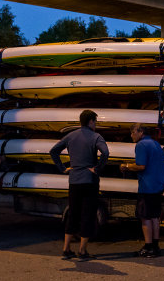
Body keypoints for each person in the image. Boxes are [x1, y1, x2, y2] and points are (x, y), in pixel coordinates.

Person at [50, 110, 109, 261]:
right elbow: (105, 153)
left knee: (73, 214)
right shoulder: (96, 137)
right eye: (95, 122)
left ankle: (66, 249)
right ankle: (82, 251)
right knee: (88, 215)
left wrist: (63, 168)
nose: (95, 125)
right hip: (89, 181)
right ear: (90, 121)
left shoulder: (71, 135)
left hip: (74, 180)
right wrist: (97, 168)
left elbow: (53, 151)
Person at [120, 123, 164, 258]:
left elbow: (141, 166)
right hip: (159, 184)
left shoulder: (141, 145)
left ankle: (148, 247)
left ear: (140, 132)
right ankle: (155, 246)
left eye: (132, 132)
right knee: (154, 217)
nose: (131, 135)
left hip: (148, 186)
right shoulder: (155, 143)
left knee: (145, 217)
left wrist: (126, 166)